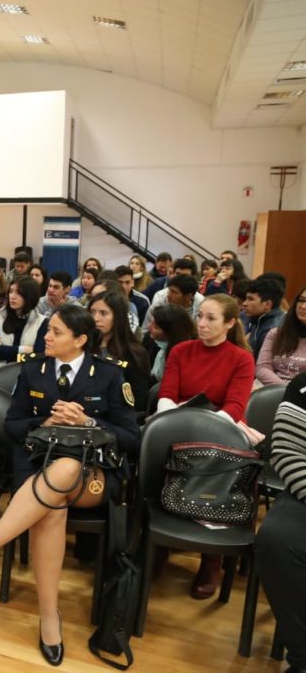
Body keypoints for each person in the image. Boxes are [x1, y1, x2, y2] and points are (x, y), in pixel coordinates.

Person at [0, 306, 139, 667]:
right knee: (51, 507)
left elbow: (131, 438)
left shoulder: (110, 374)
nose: (46, 337)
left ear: (80, 340)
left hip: (94, 476)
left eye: (56, 332)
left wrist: (87, 422)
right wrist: (46, 421)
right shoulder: (33, 369)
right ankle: (50, 617)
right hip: (39, 470)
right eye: (48, 329)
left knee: (64, 470)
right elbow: (12, 425)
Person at [157, 294, 255, 599]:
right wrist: (175, 423)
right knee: (155, 449)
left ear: (230, 323)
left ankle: (211, 558)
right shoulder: (181, 350)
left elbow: (234, 407)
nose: (201, 323)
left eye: (211, 318)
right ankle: (158, 542)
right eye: (199, 316)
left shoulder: (241, 358)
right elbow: (166, 395)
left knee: (215, 466)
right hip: (179, 424)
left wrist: (197, 427)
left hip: (221, 431)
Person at [256, 372, 306, 673]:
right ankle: (302, 657)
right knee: (277, 539)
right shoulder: (303, 387)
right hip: (304, 492)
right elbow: (289, 454)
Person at [89, 291, 151, 412]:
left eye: (103, 313)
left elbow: (137, 401)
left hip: (116, 416)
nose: (95, 318)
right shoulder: (81, 346)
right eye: (92, 312)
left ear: (118, 317)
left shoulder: (134, 353)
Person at [0, 276, 48, 371]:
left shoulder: (42, 322)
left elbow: (39, 355)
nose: (12, 296)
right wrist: (24, 350)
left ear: (30, 296)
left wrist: (2, 350)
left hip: (25, 372)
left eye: (19, 293)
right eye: (11, 291)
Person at [257, 285, 306, 385]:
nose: (303, 306)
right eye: (301, 300)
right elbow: (263, 368)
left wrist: (293, 391)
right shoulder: (276, 333)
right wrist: (285, 390)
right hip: (269, 388)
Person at [145, 303, 196, 383]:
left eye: (156, 327)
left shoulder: (186, 356)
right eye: (150, 322)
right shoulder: (149, 339)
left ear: (170, 333)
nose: (149, 327)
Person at [241, 278, 285, 360]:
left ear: (267, 304)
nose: (244, 303)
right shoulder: (258, 318)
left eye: (250, 299)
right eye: (246, 299)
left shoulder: (272, 329)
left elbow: (261, 363)